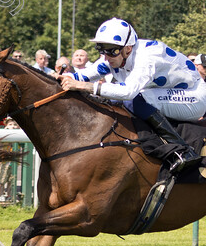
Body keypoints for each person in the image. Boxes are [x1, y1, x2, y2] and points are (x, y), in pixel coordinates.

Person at [60, 18, 206, 174]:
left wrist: (85, 87)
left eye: (111, 50)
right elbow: (84, 75)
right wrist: (62, 77)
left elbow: (128, 92)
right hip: (167, 92)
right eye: (101, 49)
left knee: (135, 99)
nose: (106, 55)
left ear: (128, 49)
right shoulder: (114, 55)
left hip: (194, 96)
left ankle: (182, 151)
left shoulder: (147, 56)